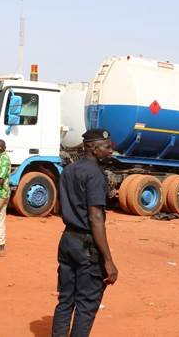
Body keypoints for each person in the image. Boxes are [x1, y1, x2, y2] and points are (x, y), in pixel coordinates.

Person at [52, 129, 118, 337]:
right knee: (87, 304)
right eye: (106, 147)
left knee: (65, 299)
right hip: (86, 246)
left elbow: (59, 207)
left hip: (67, 240)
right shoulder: (95, 174)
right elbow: (95, 217)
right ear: (93, 148)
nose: (110, 150)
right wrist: (108, 260)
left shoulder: (68, 170)